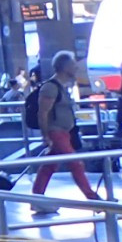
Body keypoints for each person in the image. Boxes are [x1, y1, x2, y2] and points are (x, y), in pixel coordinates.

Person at [32, 50, 100, 201]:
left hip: (64, 132)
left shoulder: (60, 87)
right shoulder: (51, 87)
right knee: (75, 163)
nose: (76, 68)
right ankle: (91, 196)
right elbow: (42, 113)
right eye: (73, 65)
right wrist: (45, 136)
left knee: (50, 165)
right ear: (65, 67)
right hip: (56, 133)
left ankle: (36, 197)